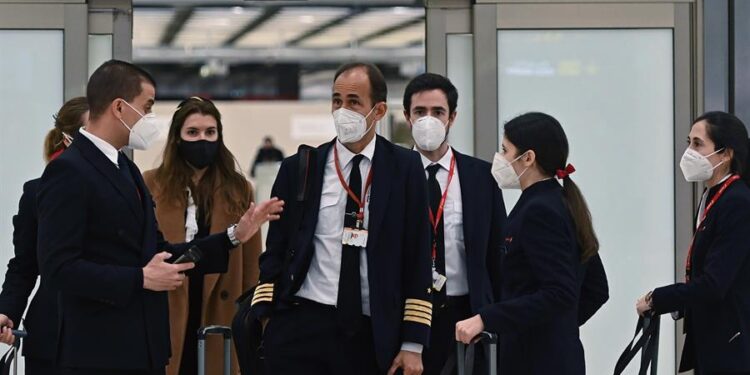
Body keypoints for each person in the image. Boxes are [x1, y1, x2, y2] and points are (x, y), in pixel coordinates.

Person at [35, 60, 284, 375]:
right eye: (147, 107)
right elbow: (58, 267)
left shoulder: (125, 169)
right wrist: (140, 278)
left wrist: (234, 235)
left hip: (143, 347)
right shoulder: (69, 170)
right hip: (98, 352)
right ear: (120, 108)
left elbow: (160, 250)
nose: (150, 118)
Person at [250, 62, 433, 375]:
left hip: (371, 329)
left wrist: (412, 344)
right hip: (303, 323)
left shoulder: (405, 168)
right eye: (336, 100)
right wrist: (266, 315)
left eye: (353, 102)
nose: (341, 110)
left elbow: (418, 255)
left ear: (378, 110)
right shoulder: (300, 167)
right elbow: (277, 246)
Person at [455, 112, 609, 374]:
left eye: (505, 150)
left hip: (535, 362)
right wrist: (558, 330)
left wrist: (487, 319)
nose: (500, 158)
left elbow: (559, 292)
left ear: (528, 157)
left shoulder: (541, 211)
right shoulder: (560, 202)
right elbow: (596, 289)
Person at [142, 96, 263, 375]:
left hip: (220, 311)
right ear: (177, 138)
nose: (203, 140)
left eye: (210, 132)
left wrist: (251, 318)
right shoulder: (152, 183)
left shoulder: (239, 188)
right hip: (168, 308)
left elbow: (251, 265)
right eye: (193, 133)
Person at [402, 73, 506, 374]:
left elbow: (496, 252)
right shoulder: (392, 175)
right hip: (407, 318)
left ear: (453, 117)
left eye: (438, 112)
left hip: (467, 314)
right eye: (420, 112)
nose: (428, 120)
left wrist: (495, 315)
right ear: (407, 116)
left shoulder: (480, 176)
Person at [636, 111, 750, 375]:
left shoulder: (737, 202)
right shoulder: (714, 196)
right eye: (689, 142)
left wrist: (658, 299)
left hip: (732, 345)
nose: (689, 152)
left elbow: (714, 283)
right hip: (712, 341)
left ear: (725, 154)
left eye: (698, 144)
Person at [0, 97, 88, 374]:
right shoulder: (37, 193)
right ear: (68, 138)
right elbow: (24, 265)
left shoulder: (128, 186)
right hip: (52, 331)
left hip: (107, 332)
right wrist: (8, 312)